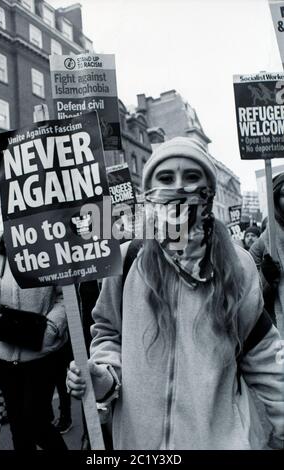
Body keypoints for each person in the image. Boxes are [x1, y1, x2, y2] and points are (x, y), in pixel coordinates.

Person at [67, 137, 284, 450]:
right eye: (166, 178)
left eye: (192, 177)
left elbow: (264, 356)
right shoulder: (128, 259)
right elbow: (108, 334)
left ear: (208, 189)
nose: (179, 187)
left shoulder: (238, 265)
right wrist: (104, 377)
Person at [0, 233, 69, 450]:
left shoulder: (52, 249)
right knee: (18, 429)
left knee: (37, 423)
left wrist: (49, 331)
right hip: (2, 357)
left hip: (40, 357)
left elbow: (65, 298)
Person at [250, 173, 284, 336]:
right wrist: (265, 276)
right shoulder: (262, 243)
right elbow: (248, 295)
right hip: (277, 326)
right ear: (276, 199)